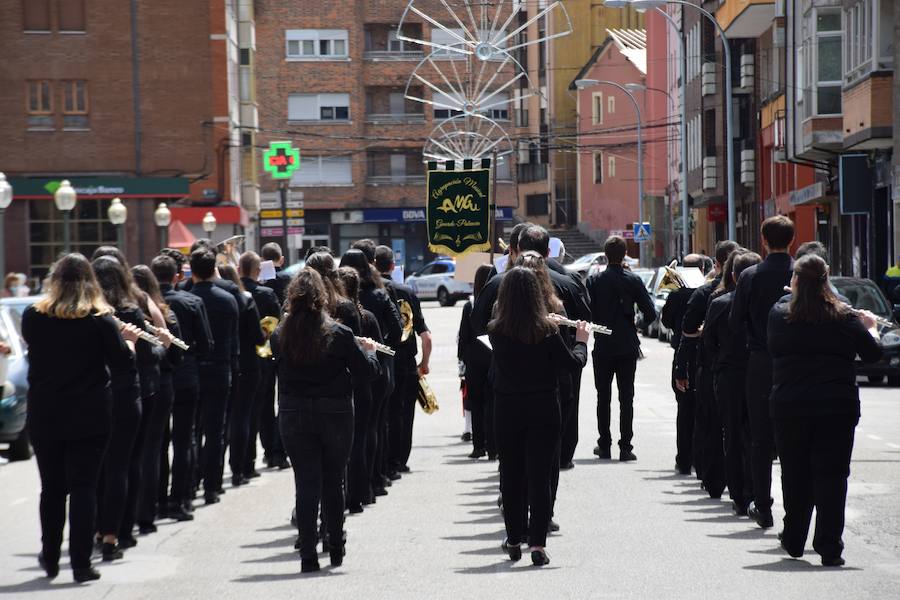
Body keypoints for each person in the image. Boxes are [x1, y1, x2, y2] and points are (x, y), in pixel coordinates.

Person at [24, 254, 140, 582]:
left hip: (46, 412)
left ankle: (50, 555)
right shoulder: (100, 319)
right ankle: (80, 563)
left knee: (52, 488)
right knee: (84, 487)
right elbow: (122, 366)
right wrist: (130, 343)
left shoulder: (34, 315)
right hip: (90, 412)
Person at [768, 254, 881, 566]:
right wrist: (868, 327)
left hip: (790, 404)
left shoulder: (779, 315)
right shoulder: (844, 316)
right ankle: (829, 546)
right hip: (836, 405)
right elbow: (872, 355)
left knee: (794, 472)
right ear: (826, 280)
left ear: (796, 282)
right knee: (832, 475)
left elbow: (772, 347)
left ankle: (793, 537)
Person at [272, 269, 379, 573]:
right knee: (334, 479)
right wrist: (369, 353)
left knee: (305, 482)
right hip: (335, 412)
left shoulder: (280, 334)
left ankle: (308, 552)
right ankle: (335, 543)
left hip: (294, 413)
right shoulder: (339, 333)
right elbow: (365, 374)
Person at [489, 267, 590, 566]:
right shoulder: (547, 331)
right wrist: (581, 340)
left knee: (511, 474)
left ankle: (514, 537)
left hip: (507, 408)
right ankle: (537, 543)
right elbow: (572, 364)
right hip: (544, 407)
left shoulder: (495, 329)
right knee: (540, 476)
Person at [91, 256, 166, 561]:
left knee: (99, 466)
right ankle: (122, 529)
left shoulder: (90, 313)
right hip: (129, 393)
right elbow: (147, 357)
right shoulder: (130, 310)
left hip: (96, 395)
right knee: (127, 463)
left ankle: (98, 527)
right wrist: (161, 344)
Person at [729, 215, 795, 529]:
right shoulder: (805, 273)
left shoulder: (751, 276)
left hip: (759, 362)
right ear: (791, 241)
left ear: (764, 241)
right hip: (797, 364)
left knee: (759, 438)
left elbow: (735, 320)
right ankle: (795, 510)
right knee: (795, 440)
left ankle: (764, 506)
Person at [517, 227, 591, 469]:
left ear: (519, 249)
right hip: (562, 357)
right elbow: (586, 315)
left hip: (515, 372)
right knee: (566, 405)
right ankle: (563, 455)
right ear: (548, 251)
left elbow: (478, 323)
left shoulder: (502, 283)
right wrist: (578, 340)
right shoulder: (567, 281)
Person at [675, 240, 739, 497]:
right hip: (731, 369)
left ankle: (710, 476)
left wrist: (682, 366)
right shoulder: (707, 294)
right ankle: (740, 486)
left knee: (709, 424)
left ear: (718, 263)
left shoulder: (706, 295)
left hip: (710, 367)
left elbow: (687, 333)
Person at [151, 255, 212, 521]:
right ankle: (181, 498)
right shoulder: (191, 302)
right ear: (177, 276)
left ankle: (159, 499)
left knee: (159, 442)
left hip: (160, 378)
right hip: (186, 376)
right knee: (185, 440)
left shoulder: (148, 304)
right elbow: (206, 344)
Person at [585, 235, 656, 461]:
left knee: (602, 396)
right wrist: (638, 326)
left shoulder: (594, 281)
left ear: (605, 255)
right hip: (626, 345)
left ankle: (604, 444)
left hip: (603, 344)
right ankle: (626, 446)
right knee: (627, 397)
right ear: (625, 254)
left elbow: (586, 311)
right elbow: (651, 312)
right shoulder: (633, 280)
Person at [340, 248, 402, 497]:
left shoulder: (338, 299)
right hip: (378, 366)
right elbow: (397, 330)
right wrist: (378, 346)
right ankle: (374, 478)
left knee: (352, 432)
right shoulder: (379, 293)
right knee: (374, 426)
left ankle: (354, 485)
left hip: (347, 370)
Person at [703, 250, 761, 515]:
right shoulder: (765, 304)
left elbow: (708, 343)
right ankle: (755, 492)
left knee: (732, 436)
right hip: (757, 373)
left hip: (729, 376)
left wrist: (719, 364)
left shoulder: (719, 303)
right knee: (756, 437)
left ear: (735, 275)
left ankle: (739, 495)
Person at [131, 264, 182, 534]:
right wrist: (164, 341)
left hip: (133, 386)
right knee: (155, 449)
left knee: (133, 453)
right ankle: (150, 509)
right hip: (157, 385)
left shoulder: (119, 310)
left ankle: (129, 512)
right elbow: (174, 356)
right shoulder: (160, 312)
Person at [187, 248, 239, 505]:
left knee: (193, 429)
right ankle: (212, 485)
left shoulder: (186, 299)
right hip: (220, 368)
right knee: (216, 429)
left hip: (196, 368)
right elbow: (234, 337)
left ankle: (191, 479)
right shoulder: (228, 299)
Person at [374, 245, 431, 476]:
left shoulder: (370, 291)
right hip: (406, 362)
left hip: (380, 359)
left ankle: (383, 461)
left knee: (382, 414)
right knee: (404, 414)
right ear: (393, 266)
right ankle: (399, 460)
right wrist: (424, 364)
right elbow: (425, 336)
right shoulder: (407, 291)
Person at [338, 265, 384, 512]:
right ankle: (362, 491)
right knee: (362, 440)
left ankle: (348, 492)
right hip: (364, 383)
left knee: (345, 444)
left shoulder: (335, 316)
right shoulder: (367, 317)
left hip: (346, 385)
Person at [218, 264, 265, 488]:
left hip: (220, 362)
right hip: (247, 363)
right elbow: (258, 336)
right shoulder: (244, 299)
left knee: (219, 419)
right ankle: (242, 467)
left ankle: (212, 473)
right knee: (244, 416)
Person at [660, 254, 705, 474]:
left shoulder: (677, 294)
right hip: (703, 356)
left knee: (684, 409)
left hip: (681, 355)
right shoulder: (706, 291)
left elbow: (666, 321)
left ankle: (684, 459)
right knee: (702, 409)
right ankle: (699, 458)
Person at [239, 251, 281, 480]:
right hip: (264, 356)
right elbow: (278, 324)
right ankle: (271, 452)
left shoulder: (235, 293)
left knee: (245, 412)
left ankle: (246, 460)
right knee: (265, 407)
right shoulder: (267, 294)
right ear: (258, 271)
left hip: (242, 357)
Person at [457, 264, 494, 458]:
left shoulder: (470, 304)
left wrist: (461, 359)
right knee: (492, 403)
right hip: (493, 357)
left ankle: (478, 445)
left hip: (474, 360)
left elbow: (463, 335)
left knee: (477, 403)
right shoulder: (497, 302)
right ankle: (493, 447)